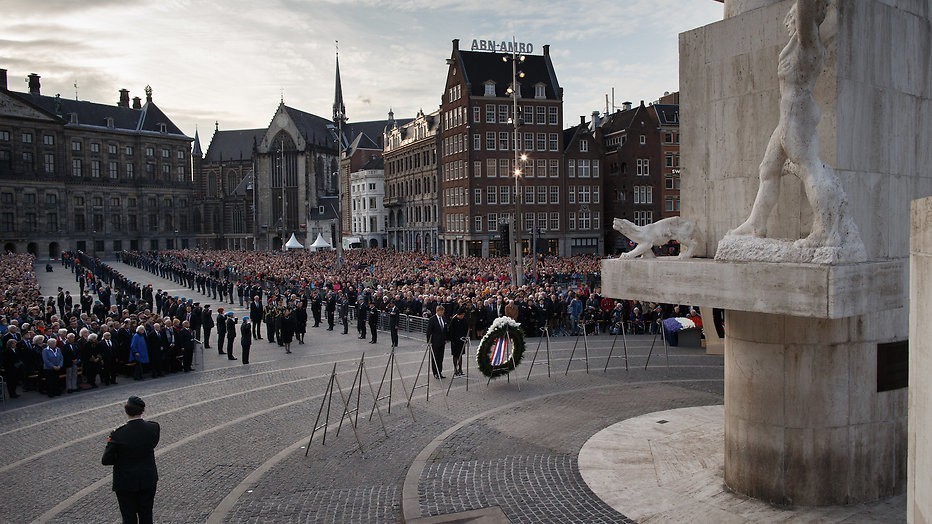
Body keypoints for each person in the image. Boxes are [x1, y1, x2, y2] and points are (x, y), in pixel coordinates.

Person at [729, 0, 850, 250]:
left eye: (792, 15)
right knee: (768, 169)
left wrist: (805, 11)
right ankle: (756, 223)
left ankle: (825, 230)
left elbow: (806, 11)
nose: (787, 20)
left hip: (797, 114)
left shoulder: (808, 42)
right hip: (788, 117)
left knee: (809, 167)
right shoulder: (800, 44)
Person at [102, 396, 160, 524]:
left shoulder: (118, 434)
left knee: (128, 517)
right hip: (147, 478)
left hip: (125, 481)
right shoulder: (153, 427)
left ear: (126, 411)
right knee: (146, 515)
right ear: (142, 410)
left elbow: (106, 460)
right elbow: (153, 443)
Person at [425, 305, 448, 379]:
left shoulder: (444, 318)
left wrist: (446, 338)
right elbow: (429, 331)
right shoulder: (432, 319)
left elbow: (445, 330)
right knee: (435, 357)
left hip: (442, 341)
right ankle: (435, 372)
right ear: (437, 311)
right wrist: (429, 341)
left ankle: (439, 372)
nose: (442, 313)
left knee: (440, 358)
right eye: (441, 311)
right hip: (435, 342)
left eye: (443, 311)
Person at [449, 309, 468, 377]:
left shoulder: (464, 320)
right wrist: (452, 340)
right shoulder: (453, 320)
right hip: (455, 341)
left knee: (460, 355)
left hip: (462, 340)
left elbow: (466, 329)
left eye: (463, 315)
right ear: (458, 314)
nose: (462, 316)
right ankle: (455, 369)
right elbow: (450, 330)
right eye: (461, 315)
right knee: (455, 355)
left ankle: (460, 368)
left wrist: (465, 338)